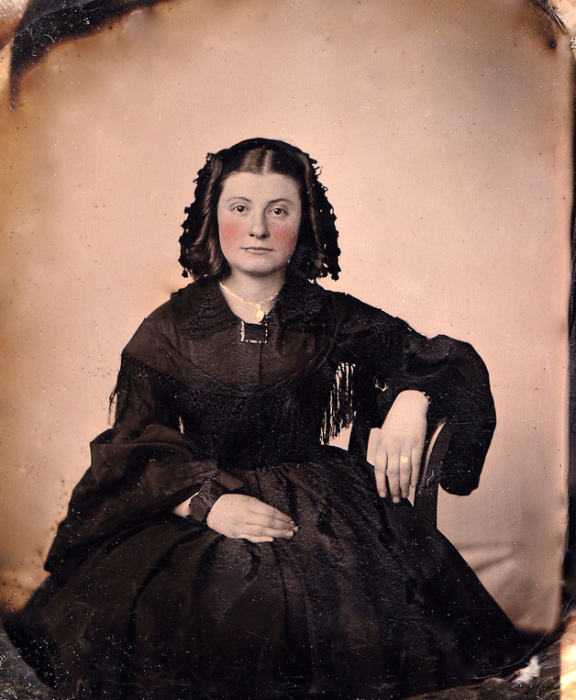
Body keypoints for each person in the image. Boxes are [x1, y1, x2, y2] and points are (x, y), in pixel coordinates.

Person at [7, 138, 526, 699]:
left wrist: (412, 399)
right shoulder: (170, 326)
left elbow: (448, 362)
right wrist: (206, 503)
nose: (258, 228)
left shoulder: (330, 315)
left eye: (279, 210)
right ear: (214, 217)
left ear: (304, 223)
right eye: (240, 208)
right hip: (195, 500)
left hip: (325, 507)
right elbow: (132, 441)